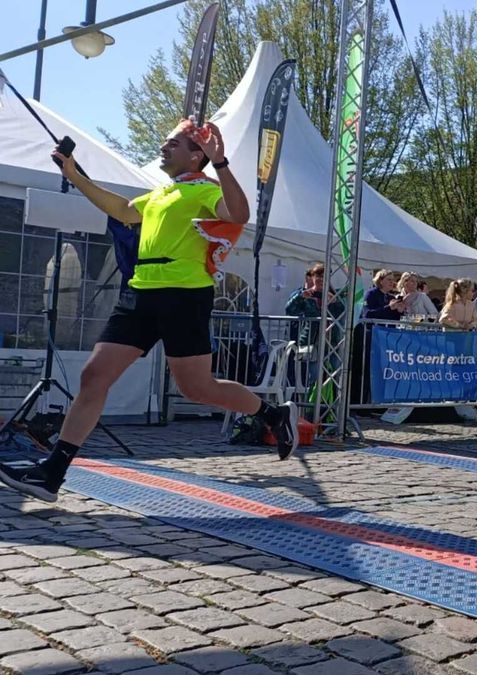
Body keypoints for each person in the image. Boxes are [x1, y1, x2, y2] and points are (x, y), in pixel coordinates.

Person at [0, 120, 301, 503]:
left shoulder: (205, 190)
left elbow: (238, 214)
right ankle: (51, 474)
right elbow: (124, 211)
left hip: (184, 295)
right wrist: (74, 175)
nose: (163, 148)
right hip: (140, 293)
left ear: (196, 155)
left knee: (197, 388)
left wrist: (221, 163)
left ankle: (273, 415)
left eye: (172, 143)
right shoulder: (161, 193)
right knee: (95, 375)